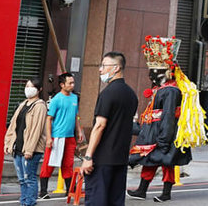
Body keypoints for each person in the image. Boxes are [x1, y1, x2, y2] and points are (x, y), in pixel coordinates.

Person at [128, 38, 195, 202]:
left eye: (155, 70)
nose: (151, 74)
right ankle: (142, 190)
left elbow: (168, 116)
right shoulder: (160, 89)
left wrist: (164, 139)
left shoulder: (171, 91)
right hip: (154, 130)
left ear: (165, 72)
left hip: (166, 133)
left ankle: (166, 193)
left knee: (166, 162)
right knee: (149, 160)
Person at [81, 52, 139, 206]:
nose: (100, 70)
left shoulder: (107, 94)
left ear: (116, 68)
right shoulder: (131, 95)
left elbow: (100, 125)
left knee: (97, 200)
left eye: (104, 66)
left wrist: (88, 157)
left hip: (102, 158)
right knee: (115, 201)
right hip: (120, 158)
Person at [38, 72, 84, 199]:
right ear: (62, 85)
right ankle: (43, 191)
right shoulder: (56, 99)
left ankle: (70, 190)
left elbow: (75, 116)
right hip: (56, 136)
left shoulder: (74, 98)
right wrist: (48, 138)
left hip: (69, 137)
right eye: (70, 83)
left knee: (68, 163)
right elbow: (49, 119)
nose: (73, 85)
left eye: (73, 82)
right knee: (49, 163)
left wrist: (79, 131)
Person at [4, 79, 47, 206]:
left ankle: (30, 202)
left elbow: (36, 130)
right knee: (22, 179)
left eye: (32, 87)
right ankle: (24, 201)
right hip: (18, 147)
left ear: (39, 90)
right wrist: (8, 143)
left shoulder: (40, 106)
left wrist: (29, 150)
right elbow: (13, 125)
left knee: (30, 178)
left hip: (30, 150)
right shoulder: (23, 104)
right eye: (27, 86)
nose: (28, 89)